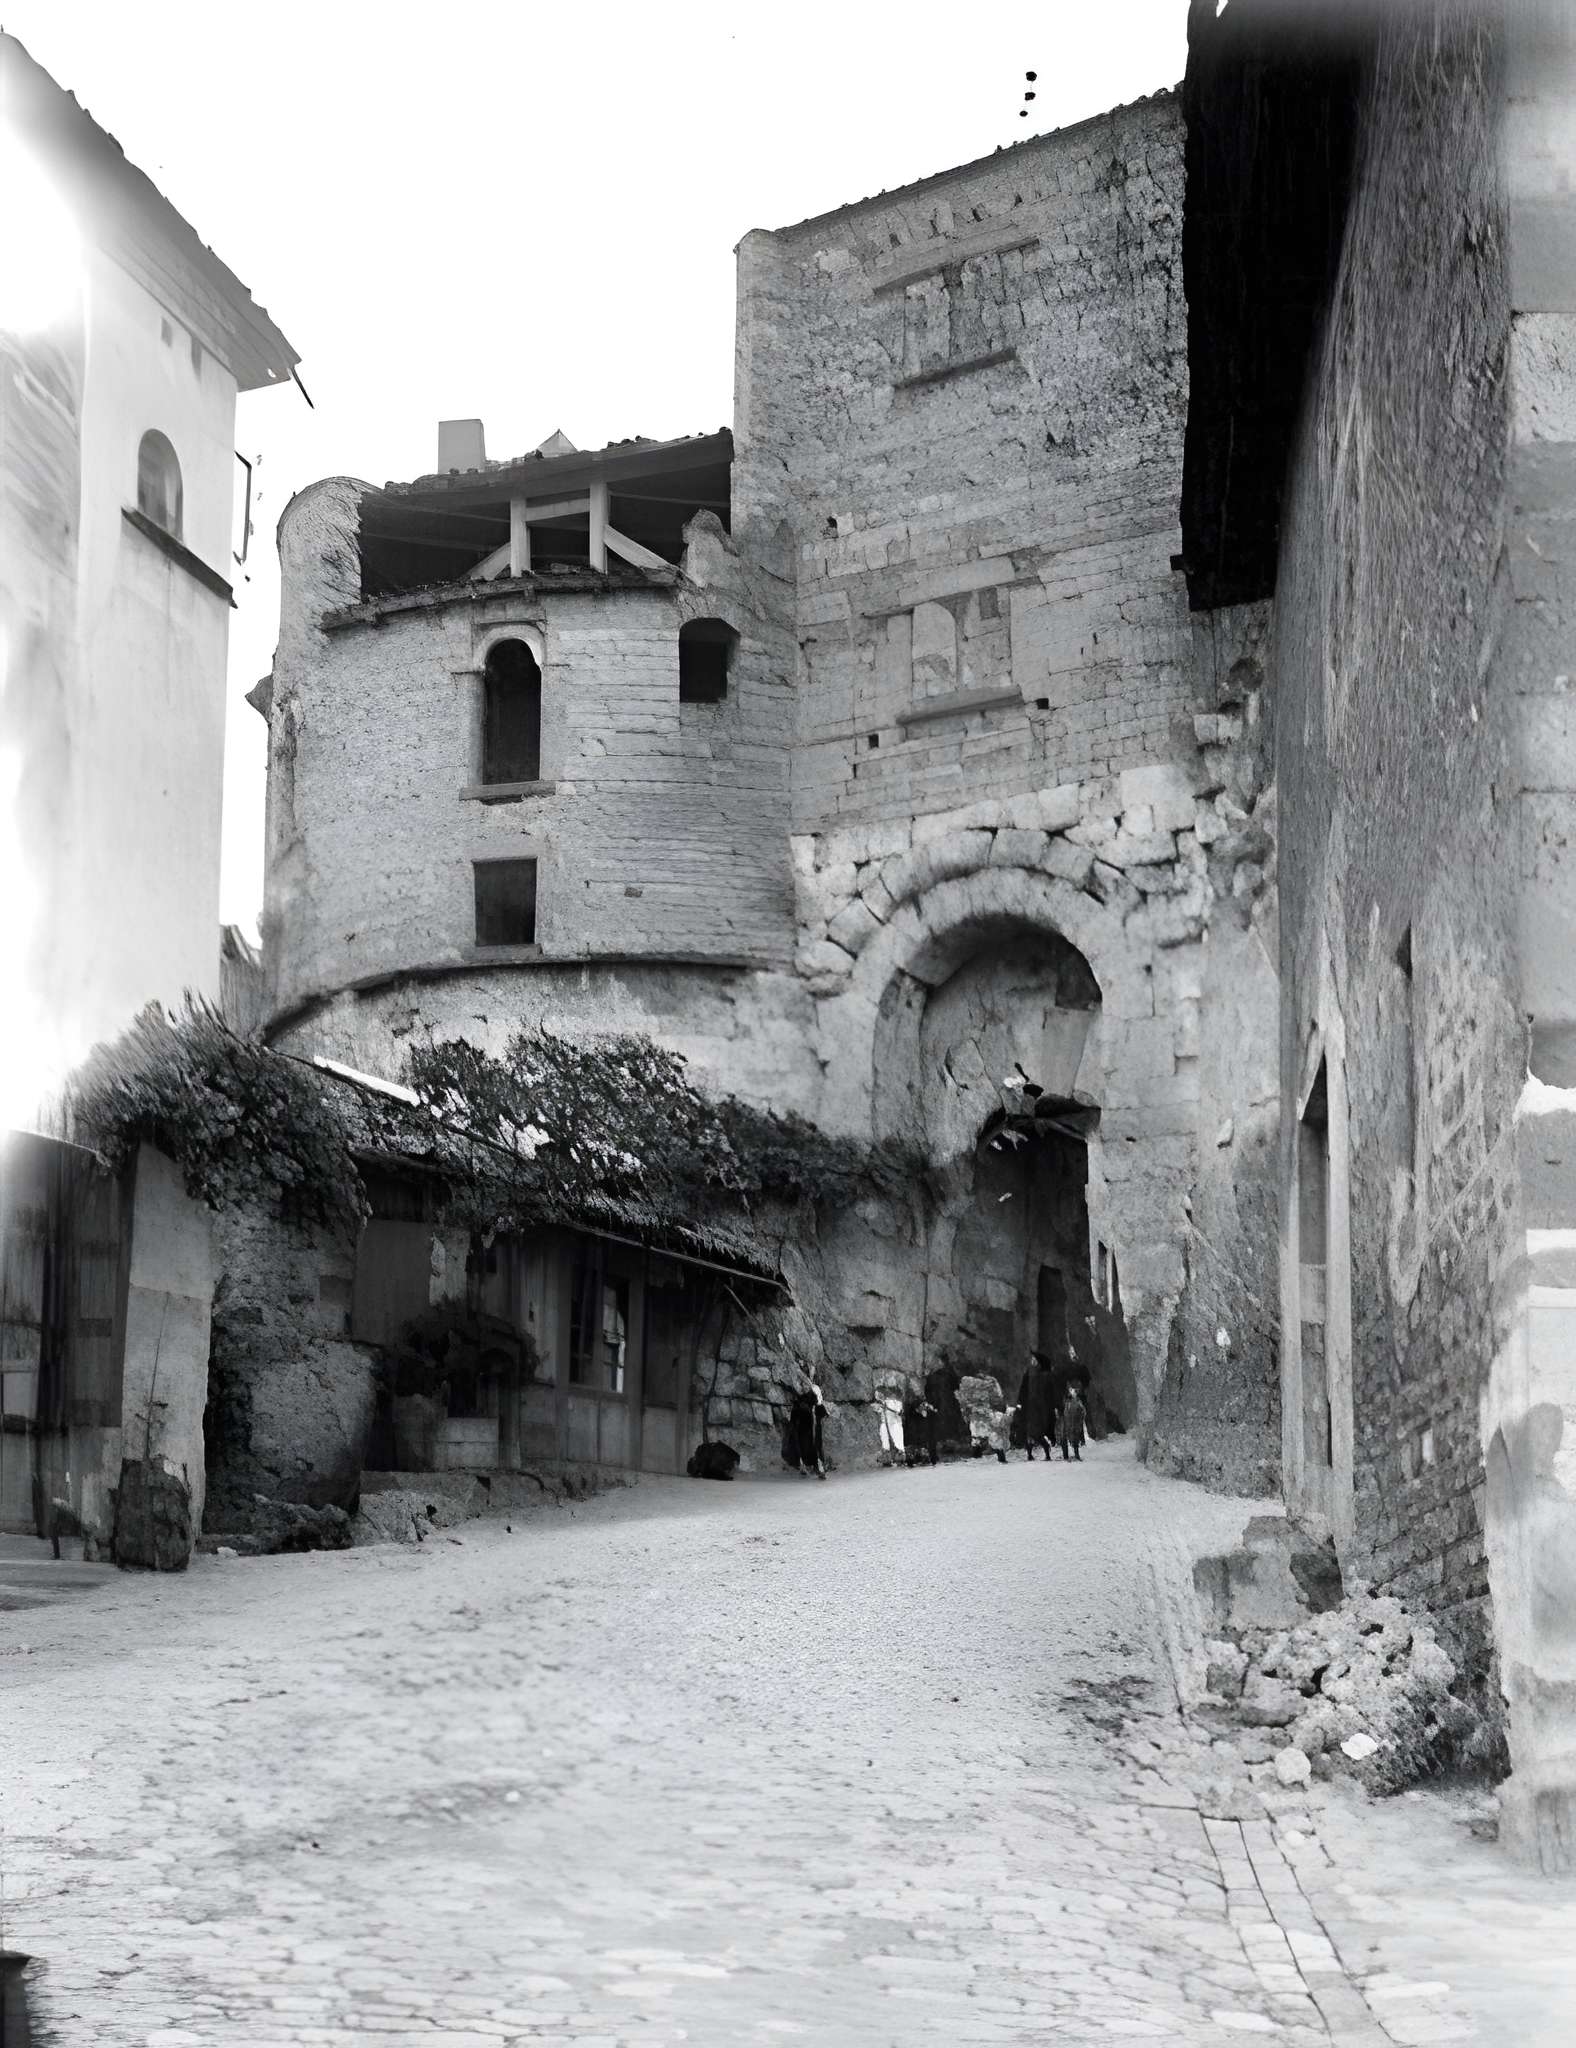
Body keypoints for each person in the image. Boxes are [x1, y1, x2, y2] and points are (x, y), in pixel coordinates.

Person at [1015, 1353, 1057, 1461]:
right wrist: (1020, 1402)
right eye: (1032, 1359)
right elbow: (1023, 1389)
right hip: (1029, 1406)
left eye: (1034, 1359)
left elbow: (1050, 1392)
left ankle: (1046, 1451)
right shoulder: (1028, 1373)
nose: (1032, 1361)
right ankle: (1029, 1454)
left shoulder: (1045, 1375)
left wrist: (1052, 1406)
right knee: (1029, 1431)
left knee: (1037, 1432)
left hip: (1040, 1408)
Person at [787, 1377, 827, 1480]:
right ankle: (813, 1468)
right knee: (808, 1448)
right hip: (806, 1430)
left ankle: (817, 1468)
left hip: (811, 1429)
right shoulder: (802, 1403)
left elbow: (821, 1412)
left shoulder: (811, 1401)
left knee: (814, 1448)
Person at [1060, 1384, 1087, 1463]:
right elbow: (1064, 1411)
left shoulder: (1079, 1402)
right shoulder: (1067, 1401)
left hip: (1075, 1423)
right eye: (1071, 1390)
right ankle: (1065, 1456)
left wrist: (1080, 1420)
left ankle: (1077, 1455)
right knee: (1063, 1438)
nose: (1072, 1392)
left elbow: (1083, 1412)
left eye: (1074, 1391)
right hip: (1066, 1422)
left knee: (1075, 1439)